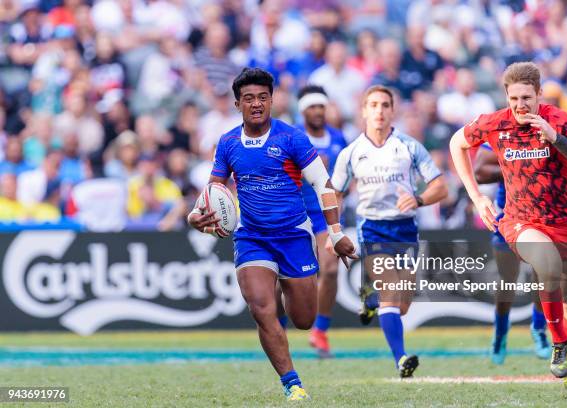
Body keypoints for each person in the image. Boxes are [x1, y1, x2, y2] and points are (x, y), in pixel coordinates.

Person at [187, 68, 357, 401]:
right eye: (248, 98)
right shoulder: (228, 143)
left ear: (272, 100)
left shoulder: (291, 138)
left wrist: (335, 233)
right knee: (262, 309)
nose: (256, 103)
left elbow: (323, 184)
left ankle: (280, 286)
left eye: (263, 97)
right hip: (252, 237)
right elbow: (213, 191)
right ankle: (292, 383)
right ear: (238, 104)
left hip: (294, 236)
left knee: (304, 319)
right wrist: (196, 215)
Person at [450, 62, 567, 387]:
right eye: (514, 98)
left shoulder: (559, 120)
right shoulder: (496, 122)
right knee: (546, 264)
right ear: (506, 96)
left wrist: (556, 138)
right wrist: (477, 198)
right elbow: (456, 143)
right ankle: (557, 342)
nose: (520, 105)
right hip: (519, 221)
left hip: (565, 221)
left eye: (526, 98)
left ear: (539, 94)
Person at [330, 85, 448, 378]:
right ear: (364, 111)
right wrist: (333, 231)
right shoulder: (351, 153)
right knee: (392, 293)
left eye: (384, 105)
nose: (379, 111)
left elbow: (440, 186)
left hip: (405, 229)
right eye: (373, 105)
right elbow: (335, 193)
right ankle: (401, 359)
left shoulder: (409, 146)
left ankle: (370, 299)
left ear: (392, 110)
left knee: (402, 305)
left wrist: (419, 199)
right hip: (373, 229)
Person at [474, 144, 550, 364]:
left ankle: (538, 328)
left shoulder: (544, 131)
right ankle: (500, 332)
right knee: (507, 280)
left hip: (539, 216)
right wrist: (515, 167)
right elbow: (479, 171)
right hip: (508, 216)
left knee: (543, 274)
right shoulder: (500, 132)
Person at [295, 85, 347, 358]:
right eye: (312, 107)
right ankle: (278, 325)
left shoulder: (338, 139)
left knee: (330, 270)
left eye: (321, 107)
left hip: (326, 214)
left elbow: (347, 177)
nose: (317, 112)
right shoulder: (293, 137)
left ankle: (321, 330)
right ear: (303, 110)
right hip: (296, 214)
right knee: (291, 278)